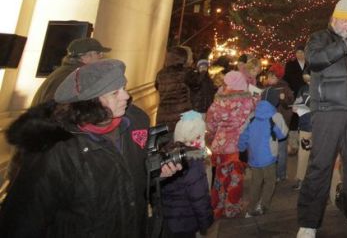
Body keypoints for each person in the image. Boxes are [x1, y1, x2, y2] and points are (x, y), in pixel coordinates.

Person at [0, 59, 179, 236]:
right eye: (115, 93)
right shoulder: (55, 151)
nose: (126, 96)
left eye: (123, 88)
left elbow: (130, 177)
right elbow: (23, 219)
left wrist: (155, 173)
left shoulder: (136, 123)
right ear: (90, 103)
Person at [296, 0, 347, 237]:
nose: (346, 24)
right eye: (342, 20)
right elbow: (315, 60)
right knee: (320, 164)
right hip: (328, 110)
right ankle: (309, 222)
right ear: (333, 19)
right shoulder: (319, 38)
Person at [206, 70, 256, 218]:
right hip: (238, 146)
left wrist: (216, 134)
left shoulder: (218, 102)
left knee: (220, 178)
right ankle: (232, 208)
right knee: (235, 179)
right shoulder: (249, 102)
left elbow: (210, 124)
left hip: (220, 145)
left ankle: (217, 207)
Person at [161, 111, 214, 237]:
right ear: (197, 137)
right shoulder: (194, 161)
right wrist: (205, 223)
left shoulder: (167, 152)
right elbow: (199, 197)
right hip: (185, 220)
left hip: (168, 217)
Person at [238, 90, 288, 217]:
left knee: (255, 182)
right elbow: (283, 134)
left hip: (254, 156)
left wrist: (242, 147)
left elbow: (243, 134)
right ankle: (263, 205)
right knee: (270, 181)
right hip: (269, 157)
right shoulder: (276, 116)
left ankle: (250, 209)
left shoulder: (252, 115)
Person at [31, 37, 110, 105]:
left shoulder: (65, 72)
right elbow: (56, 111)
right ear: (85, 56)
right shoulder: (72, 78)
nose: (101, 56)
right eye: (98, 53)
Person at [262, 62, 295, 182]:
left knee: (281, 150)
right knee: (271, 149)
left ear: (278, 77)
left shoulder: (285, 88)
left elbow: (290, 104)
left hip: (280, 123)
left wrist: (283, 100)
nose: (269, 79)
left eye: (272, 76)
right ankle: (272, 174)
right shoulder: (265, 88)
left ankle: (281, 173)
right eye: (268, 76)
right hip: (269, 123)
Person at [155, 45, 197, 133]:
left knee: (164, 141)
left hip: (163, 115)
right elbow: (196, 86)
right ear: (183, 58)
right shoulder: (186, 73)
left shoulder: (161, 73)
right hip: (182, 117)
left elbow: (157, 87)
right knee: (181, 142)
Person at [285, 47, 309, 154]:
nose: (300, 54)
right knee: (294, 118)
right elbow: (286, 79)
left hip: (307, 95)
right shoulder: (290, 65)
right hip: (295, 94)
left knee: (306, 117)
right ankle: (293, 144)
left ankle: (305, 142)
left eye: (301, 52)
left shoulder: (310, 64)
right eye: (298, 52)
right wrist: (289, 91)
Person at [292, 71, 313, 191]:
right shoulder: (303, 89)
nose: (309, 83)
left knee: (318, 154)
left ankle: (316, 180)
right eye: (307, 81)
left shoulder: (321, 88)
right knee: (303, 153)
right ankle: (300, 178)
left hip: (319, 126)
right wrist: (295, 107)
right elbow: (297, 102)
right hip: (305, 125)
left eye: (310, 80)